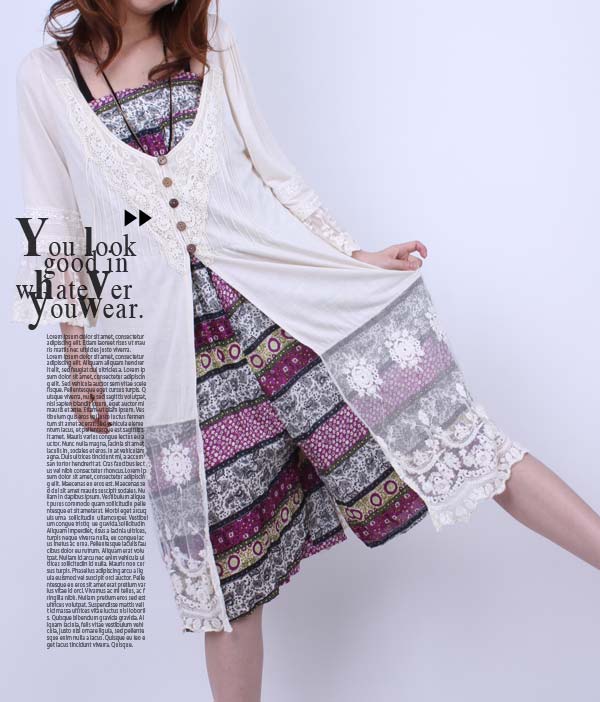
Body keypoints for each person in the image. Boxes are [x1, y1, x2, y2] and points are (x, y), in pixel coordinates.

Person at [13, 1, 600, 700]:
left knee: (466, 442)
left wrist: (351, 255)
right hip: (182, 367)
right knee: (229, 577)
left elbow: (273, 173)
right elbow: (55, 228)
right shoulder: (44, 77)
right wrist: (77, 358)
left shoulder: (207, 42)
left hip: (292, 316)